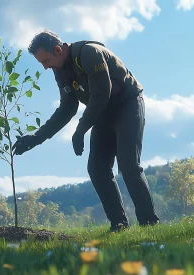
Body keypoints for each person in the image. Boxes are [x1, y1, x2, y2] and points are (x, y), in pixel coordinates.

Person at [12, 30, 160, 232]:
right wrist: (36, 138)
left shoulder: (90, 53)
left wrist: (80, 131)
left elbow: (101, 94)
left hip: (127, 103)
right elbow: (67, 107)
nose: (46, 67)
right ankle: (119, 224)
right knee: (97, 169)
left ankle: (149, 224)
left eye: (45, 61)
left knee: (128, 165)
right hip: (102, 112)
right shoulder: (60, 70)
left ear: (57, 50)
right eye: (42, 63)